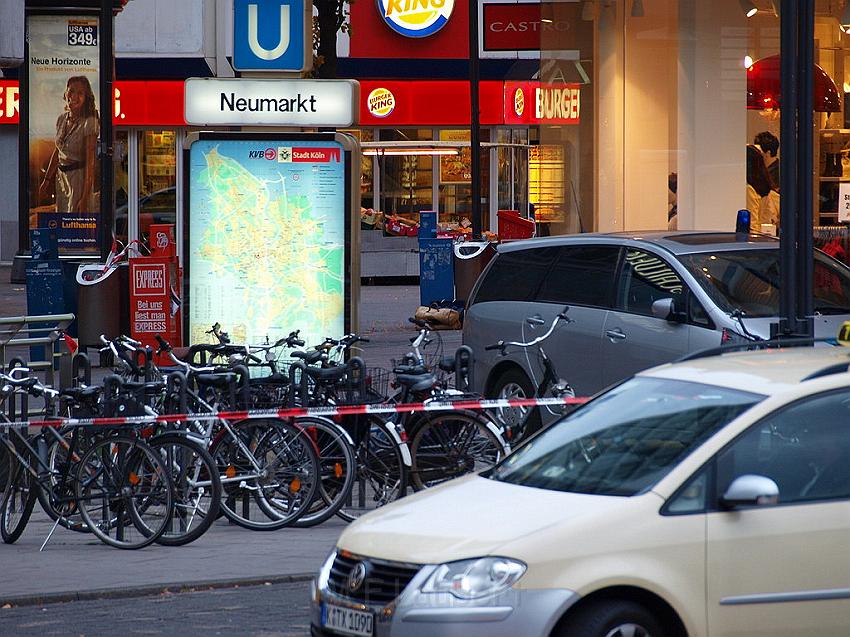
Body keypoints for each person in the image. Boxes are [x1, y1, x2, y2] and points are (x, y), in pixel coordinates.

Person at [38, 76, 100, 214]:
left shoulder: (89, 122)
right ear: (66, 93)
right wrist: (46, 180)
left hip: (79, 178)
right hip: (61, 178)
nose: (74, 96)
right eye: (71, 91)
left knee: (74, 221)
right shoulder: (61, 119)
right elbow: (58, 151)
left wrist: (84, 198)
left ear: (86, 98)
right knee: (61, 218)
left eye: (80, 93)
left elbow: (91, 162)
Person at [746, 144, 779, 232]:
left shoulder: (749, 189)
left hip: (754, 238)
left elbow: (752, 225)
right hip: (765, 235)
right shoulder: (765, 186)